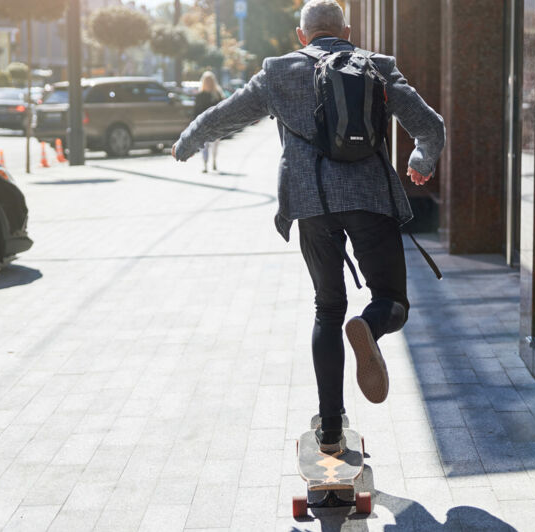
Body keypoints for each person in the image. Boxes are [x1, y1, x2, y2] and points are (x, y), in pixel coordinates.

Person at [172, 0, 445, 452]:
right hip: (370, 200)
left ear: (303, 36)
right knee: (392, 299)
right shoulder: (376, 67)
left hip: (312, 204)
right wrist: (421, 159)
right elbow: (429, 125)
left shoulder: (278, 72)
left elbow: (228, 113)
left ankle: (332, 427)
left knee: (327, 308)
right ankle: (371, 326)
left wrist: (188, 141)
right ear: (348, 31)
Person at [193, 72, 224, 173]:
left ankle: (214, 161)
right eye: (206, 81)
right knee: (204, 146)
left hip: (216, 125)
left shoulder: (217, 94)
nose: (208, 83)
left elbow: (222, 109)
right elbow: (196, 111)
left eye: (210, 81)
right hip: (204, 125)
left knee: (215, 145)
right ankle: (205, 165)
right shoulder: (200, 95)